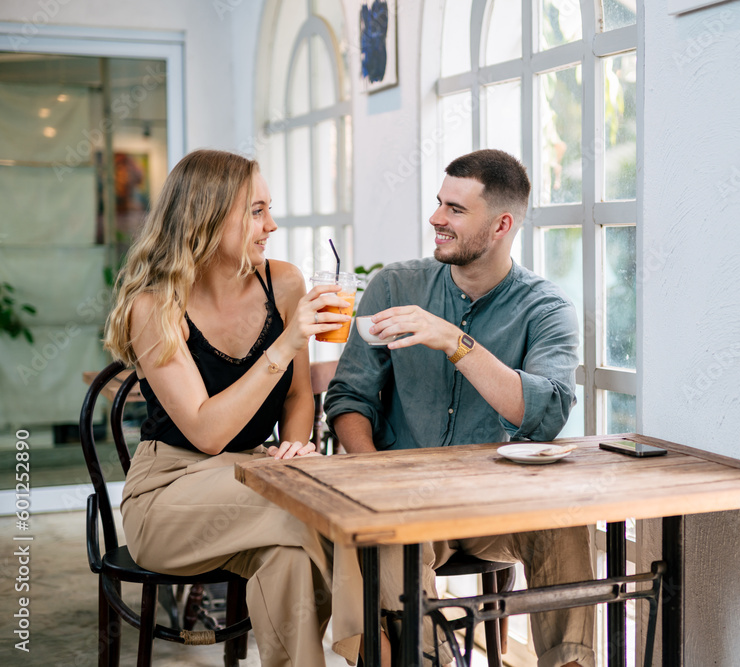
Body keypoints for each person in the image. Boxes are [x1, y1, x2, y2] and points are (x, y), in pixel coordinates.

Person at [325, 149, 595, 667]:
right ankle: (425, 660)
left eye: (455, 209)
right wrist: (373, 469)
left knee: (566, 519)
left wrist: (456, 342)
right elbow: (348, 397)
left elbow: (545, 414)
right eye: (438, 204)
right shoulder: (394, 286)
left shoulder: (546, 308)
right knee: (389, 534)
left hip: (495, 505)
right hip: (406, 499)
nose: (436, 219)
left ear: (501, 225)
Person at [104, 148, 356, 666]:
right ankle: (386, 643)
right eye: (257, 210)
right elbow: (207, 434)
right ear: (208, 216)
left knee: (288, 558)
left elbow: (296, 394)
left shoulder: (282, 283)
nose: (273, 224)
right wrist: (284, 344)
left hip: (252, 475)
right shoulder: (154, 306)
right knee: (316, 508)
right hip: (169, 492)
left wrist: (296, 444)